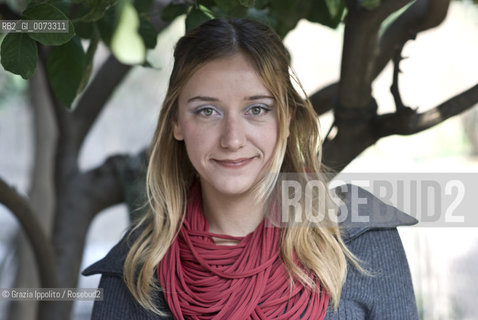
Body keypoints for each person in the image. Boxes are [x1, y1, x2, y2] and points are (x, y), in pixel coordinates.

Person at [83, 18, 419, 319]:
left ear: (286, 119)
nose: (232, 139)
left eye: (256, 109)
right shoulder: (135, 269)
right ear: (177, 123)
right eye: (206, 111)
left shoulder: (360, 239)